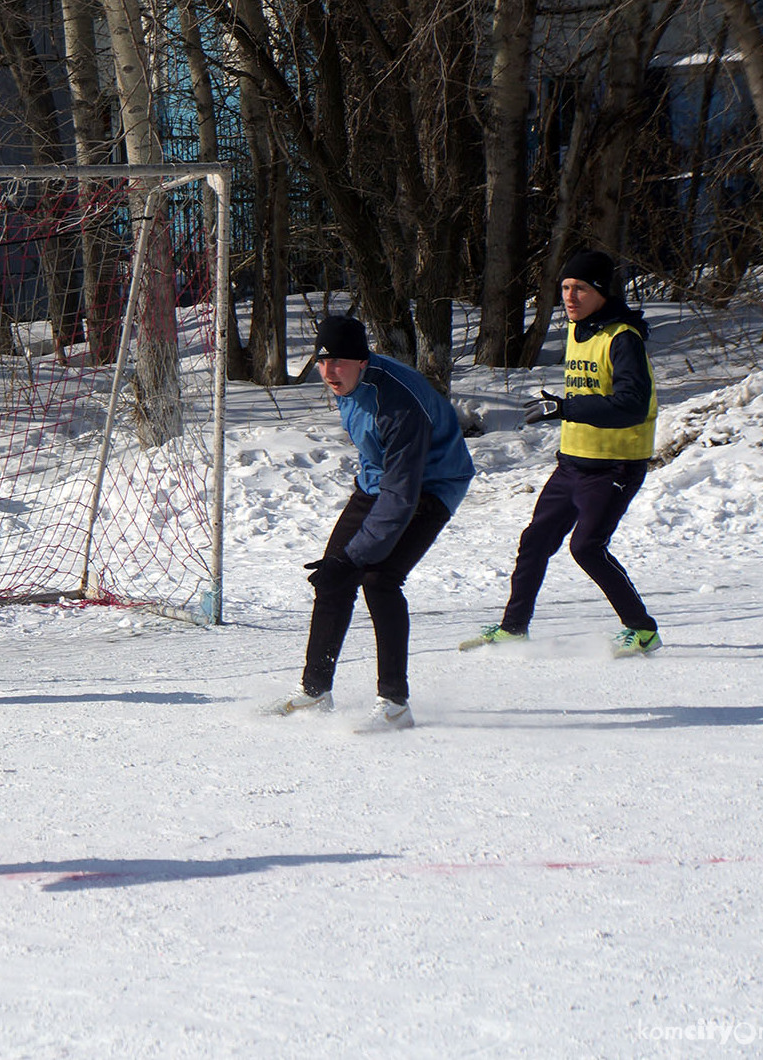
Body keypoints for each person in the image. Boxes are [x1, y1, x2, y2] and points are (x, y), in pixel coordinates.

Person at [266, 315, 476, 731]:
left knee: (379, 579)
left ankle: (395, 704)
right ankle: (315, 691)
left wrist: (356, 556)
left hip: (431, 484)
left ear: (362, 361)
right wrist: (343, 561)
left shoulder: (397, 401)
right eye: (321, 362)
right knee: (332, 578)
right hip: (380, 480)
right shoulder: (347, 383)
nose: (328, 372)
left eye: (338, 362)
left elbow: (403, 494)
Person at [460, 249, 661, 657]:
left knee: (587, 547)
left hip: (615, 466)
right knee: (534, 542)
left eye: (580, 289)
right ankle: (513, 628)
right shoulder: (578, 328)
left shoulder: (623, 338)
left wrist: (567, 407)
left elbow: (631, 405)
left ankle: (642, 631)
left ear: (602, 292)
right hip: (572, 463)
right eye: (565, 287)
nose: (570, 297)